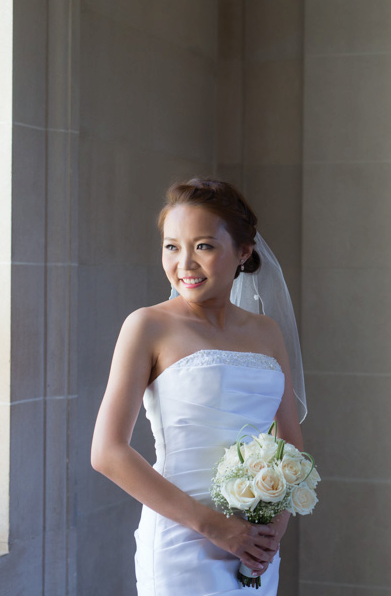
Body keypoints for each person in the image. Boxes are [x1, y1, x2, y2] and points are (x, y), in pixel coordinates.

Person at [91, 178, 305, 595]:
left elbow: (290, 443)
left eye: (203, 246)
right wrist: (218, 528)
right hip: (181, 541)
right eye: (172, 246)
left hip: (255, 547)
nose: (184, 263)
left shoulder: (267, 332)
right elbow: (107, 452)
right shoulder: (147, 326)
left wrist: (271, 531)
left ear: (244, 252)